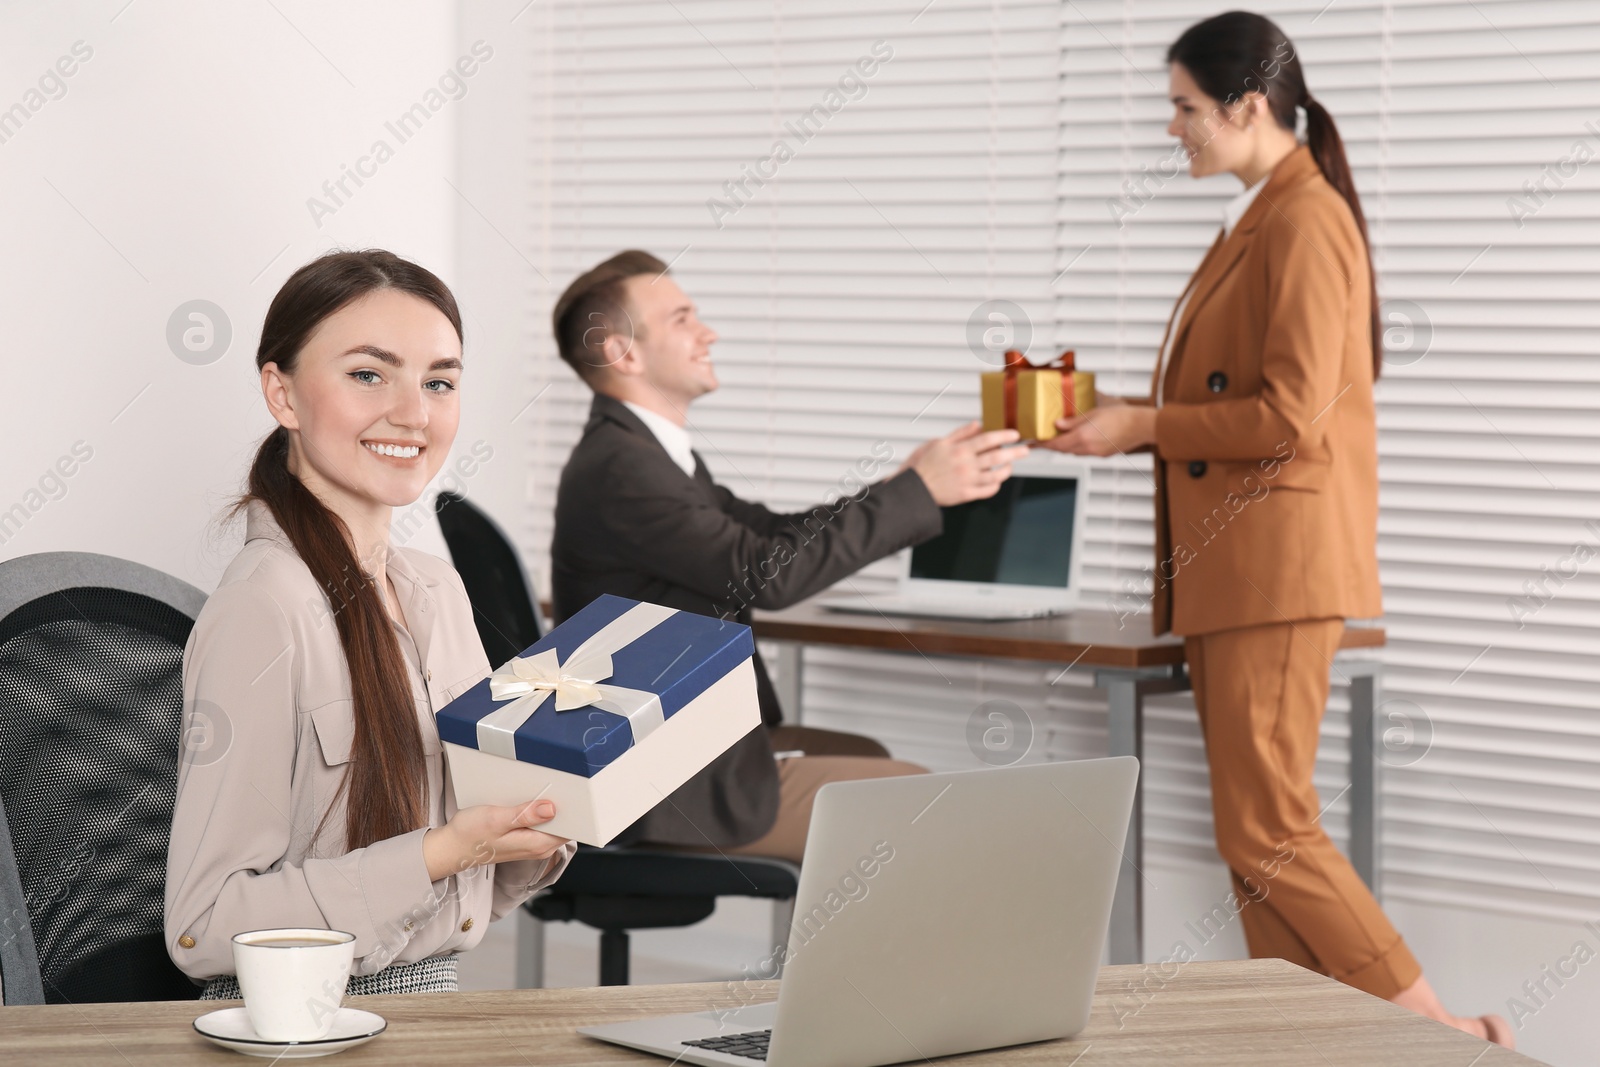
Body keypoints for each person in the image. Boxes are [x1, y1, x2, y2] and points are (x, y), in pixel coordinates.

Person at [1041, 12, 1511, 1049]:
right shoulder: (1265, 213)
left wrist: (1144, 425)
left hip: (1273, 569)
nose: (1171, 129)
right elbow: (1236, 398)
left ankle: (1436, 1026)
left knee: (1269, 826)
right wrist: (1116, 419)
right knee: (1250, 837)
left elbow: (1288, 415)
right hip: (1241, 571)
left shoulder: (1301, 219)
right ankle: (1308, 1036)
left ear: (1246, 106)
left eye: (1182, 108)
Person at [164, 250, 575, 997]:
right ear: (280, 393)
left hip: (433, 1007)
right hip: (302, 1028)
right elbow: (203, 924)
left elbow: (457, 902)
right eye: (368, 374)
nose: (413, 412)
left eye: (439, 381)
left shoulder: (438, 589)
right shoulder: (265, 608)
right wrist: (444, 848)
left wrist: (543, 817)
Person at [549, 250, 1030, 863]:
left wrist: (906, 487)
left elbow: (769, 535)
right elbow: (769, 576)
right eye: (681, 318)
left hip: (682, 744)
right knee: (922, 795)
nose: (709, 332)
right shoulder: (624, 468)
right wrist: (917, 493)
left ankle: (846, 958)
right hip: (658, 775)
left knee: (869, 757)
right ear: (625, 353)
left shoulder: (646, 454)